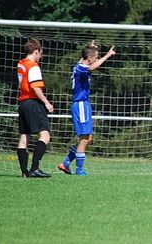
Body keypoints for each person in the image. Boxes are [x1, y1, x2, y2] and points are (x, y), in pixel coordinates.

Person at [57, 41, 116, 176]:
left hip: (84, 104)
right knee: (84, 138)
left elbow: (86, 60)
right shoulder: (82, 68)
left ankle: (65, 163)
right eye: (94, 58)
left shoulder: (79, 65)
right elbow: (91, 67)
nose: (95, 60)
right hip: (81, 104)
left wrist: (92, 48)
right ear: (89, 58)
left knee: (88, 138)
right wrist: (106, 56)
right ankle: (79, 170)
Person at [16, 38, 54, 178]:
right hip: (33, 103)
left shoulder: (21, 64)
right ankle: (34, 168)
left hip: (23, 103)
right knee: (45, 135)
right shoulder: (33, 66)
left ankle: (24, 171)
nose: (41, 57)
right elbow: (35, 87)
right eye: (40, 53)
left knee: (24, 136)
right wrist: (46, 102)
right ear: (36, 51)